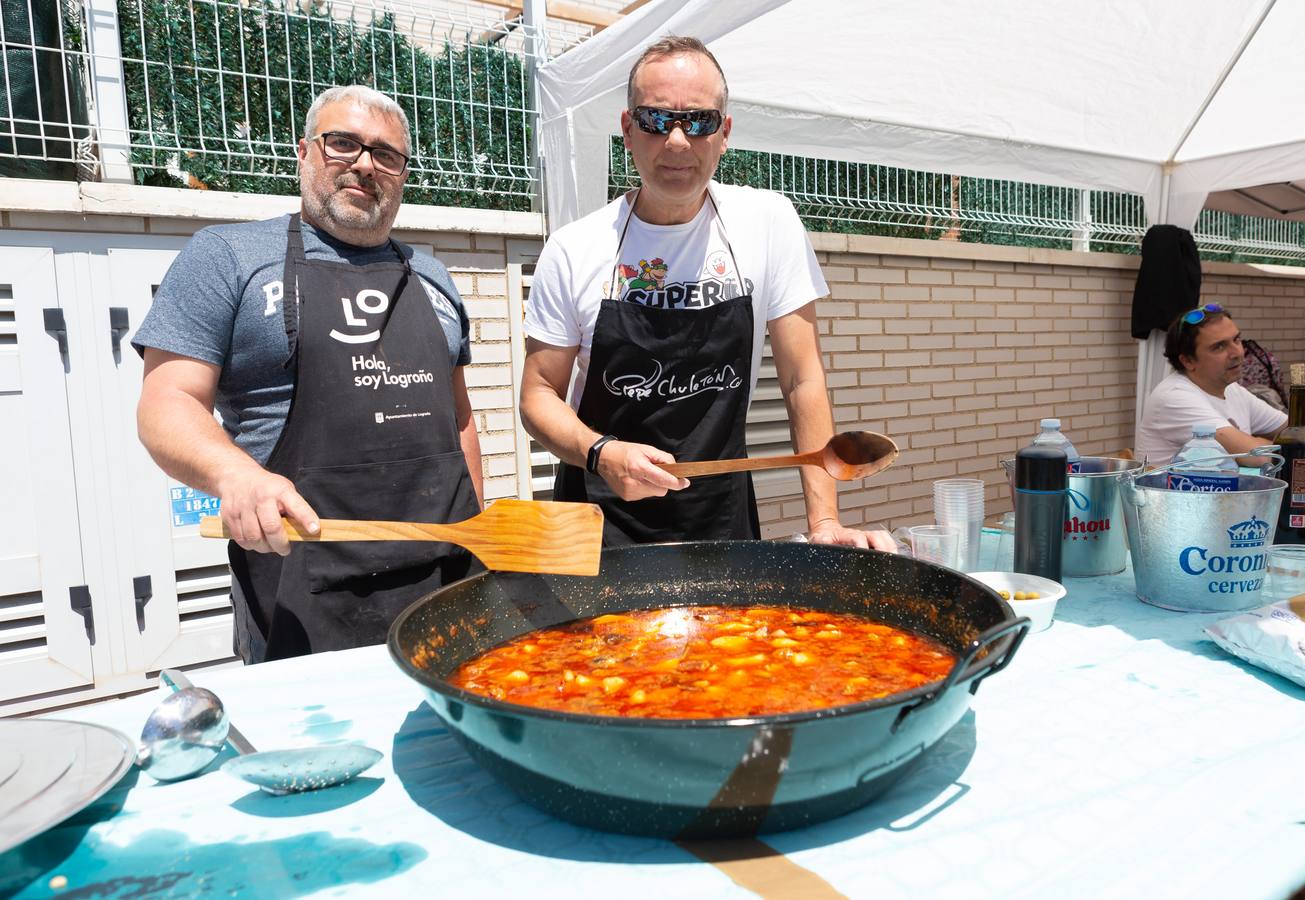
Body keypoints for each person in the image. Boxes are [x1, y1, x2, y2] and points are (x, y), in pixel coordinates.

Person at [134, 85, 482, 663]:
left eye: (386, 154)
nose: (365, 164)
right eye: (342, 143)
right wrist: (234, 477)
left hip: (447, 573)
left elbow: (460, 418)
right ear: (303, 152)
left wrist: (480, 525)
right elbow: (166, 400)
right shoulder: (228, 256)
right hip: (304, 584)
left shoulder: (432, 274)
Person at [519, 36, 892, 550]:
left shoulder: (768, 222)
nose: (676, 141)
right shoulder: (574, 248)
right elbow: (538, 396)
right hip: (597, 523)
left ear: (724, 133)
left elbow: (802, 378)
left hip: (719, 520)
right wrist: (602, 452)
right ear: (627, 130)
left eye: (698, 121)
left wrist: (825, 523)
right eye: (655, 120)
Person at [1136, 303, 1305, 467]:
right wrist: (1265, 444)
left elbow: (1299, 430)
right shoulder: (1175, 397)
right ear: (1188, 361)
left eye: (1236, 339)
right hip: (1176, 510)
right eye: (1219, 346)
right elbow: (1259, 457)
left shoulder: (1231, 389)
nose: (1237, 352)